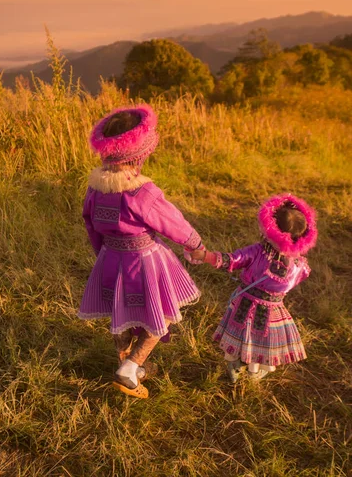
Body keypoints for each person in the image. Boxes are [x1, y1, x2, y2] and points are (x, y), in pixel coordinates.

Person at [78, 104, 204, 398]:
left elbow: (91, 225)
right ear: (139, 153)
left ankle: (124, 362)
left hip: (110, 258)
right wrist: (196, 244)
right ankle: (131, 367)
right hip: (145, 262)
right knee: (161, 315)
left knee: (119, 313)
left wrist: (103, 254)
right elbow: (174, 223)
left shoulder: (95, 189)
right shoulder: (142, 192)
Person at [190, 194, 317, 382]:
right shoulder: (300, 265)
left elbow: (231, 260)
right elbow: (293, 282)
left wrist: (205, 256)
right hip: (273, 308)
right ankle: (254, 372)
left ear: (271, 229)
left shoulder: (258, 251)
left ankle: (235, 366)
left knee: (241, 333)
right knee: (261, 340)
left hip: (245, 301)